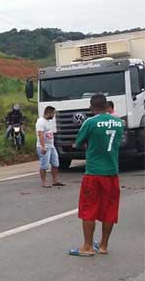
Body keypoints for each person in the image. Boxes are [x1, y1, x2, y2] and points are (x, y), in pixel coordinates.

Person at [69, 94, 124, 257]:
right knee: (110, 209)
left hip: (93, 172)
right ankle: (103, 245)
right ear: (107, 105)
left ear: (91, 107)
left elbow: (78, 143)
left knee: (89, 208)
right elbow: (117, 143)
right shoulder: (119, 122)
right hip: (112, 172)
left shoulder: (90, 122)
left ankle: (87, 246)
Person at [36, 106, 64, 188]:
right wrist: (43, 147)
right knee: (44, 165)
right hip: (44, 147)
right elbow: (40, 135)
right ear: (49, 113)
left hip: (51, 146)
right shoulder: (41, 122)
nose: (54, 115)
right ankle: (44, 182)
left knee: (55, 164)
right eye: (53, 113)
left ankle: (55, 180)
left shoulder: (49, 121)